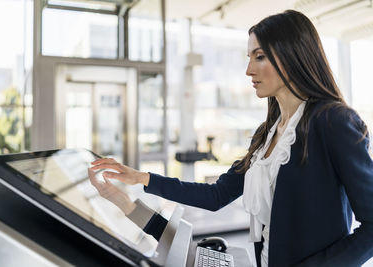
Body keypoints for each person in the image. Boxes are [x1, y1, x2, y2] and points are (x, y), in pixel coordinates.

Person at [89, 10, 373, 267]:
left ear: (292, 55)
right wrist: (141, 178)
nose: (249, 70)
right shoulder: (268, 133)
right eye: (249, 58)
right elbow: (217, 195)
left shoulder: (333, 121)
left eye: (259, 56)